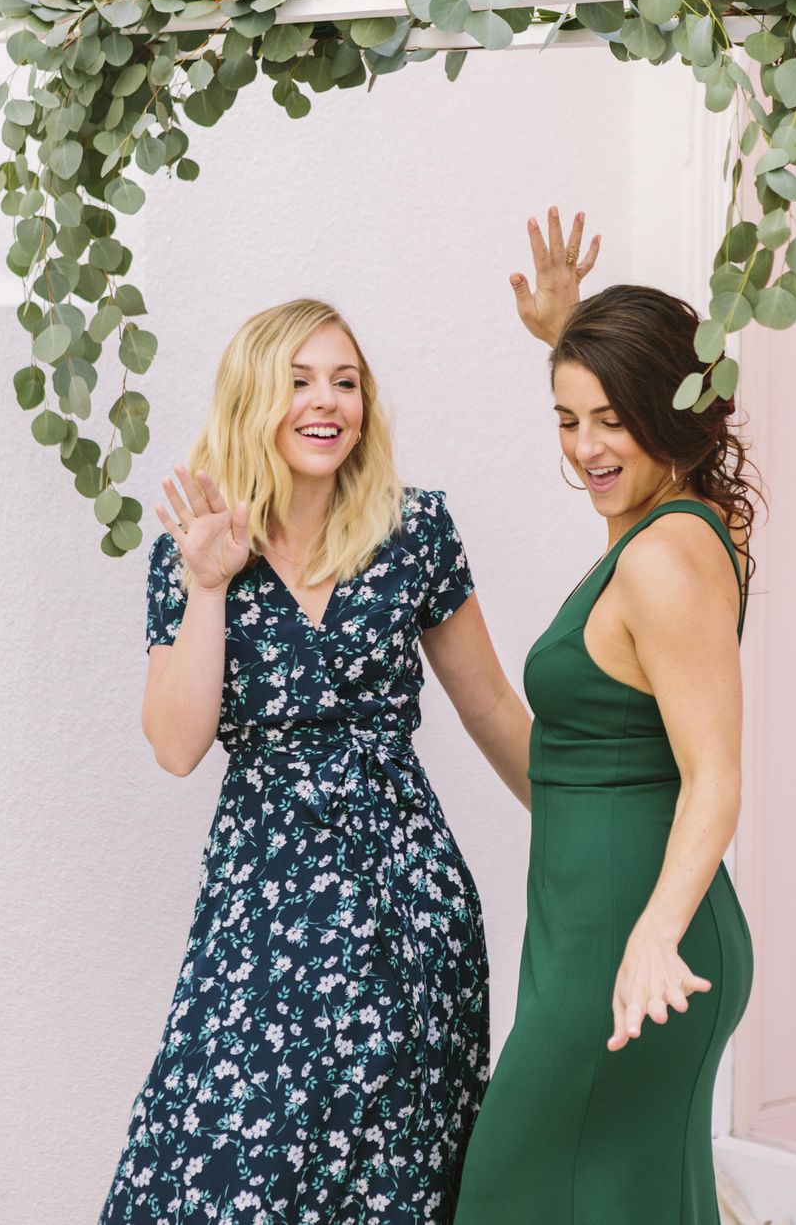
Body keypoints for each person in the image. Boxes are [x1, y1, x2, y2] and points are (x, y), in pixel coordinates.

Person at [99, 298, 532, 1225]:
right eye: (299, 381)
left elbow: (489, 704)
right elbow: (176, 746)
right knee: (222, 1160)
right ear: (253, 398)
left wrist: (591, 822)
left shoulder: (415, 531)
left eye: (346, 381)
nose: (326, 401)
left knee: (394, 1174)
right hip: (263, 902)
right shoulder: (195, 549)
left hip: (406, 904)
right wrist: (209, 585)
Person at [453, 209, 758, 1225]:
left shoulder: (665, 558)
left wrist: (652, 938)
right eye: (564, 417)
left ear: (668, 413)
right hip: (593, 935)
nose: (583, 447)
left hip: (632, 946)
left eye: (609, 418)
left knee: (511, 1198)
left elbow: (714, 775)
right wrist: (566, 330)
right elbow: (571, 766)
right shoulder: (663, 528)